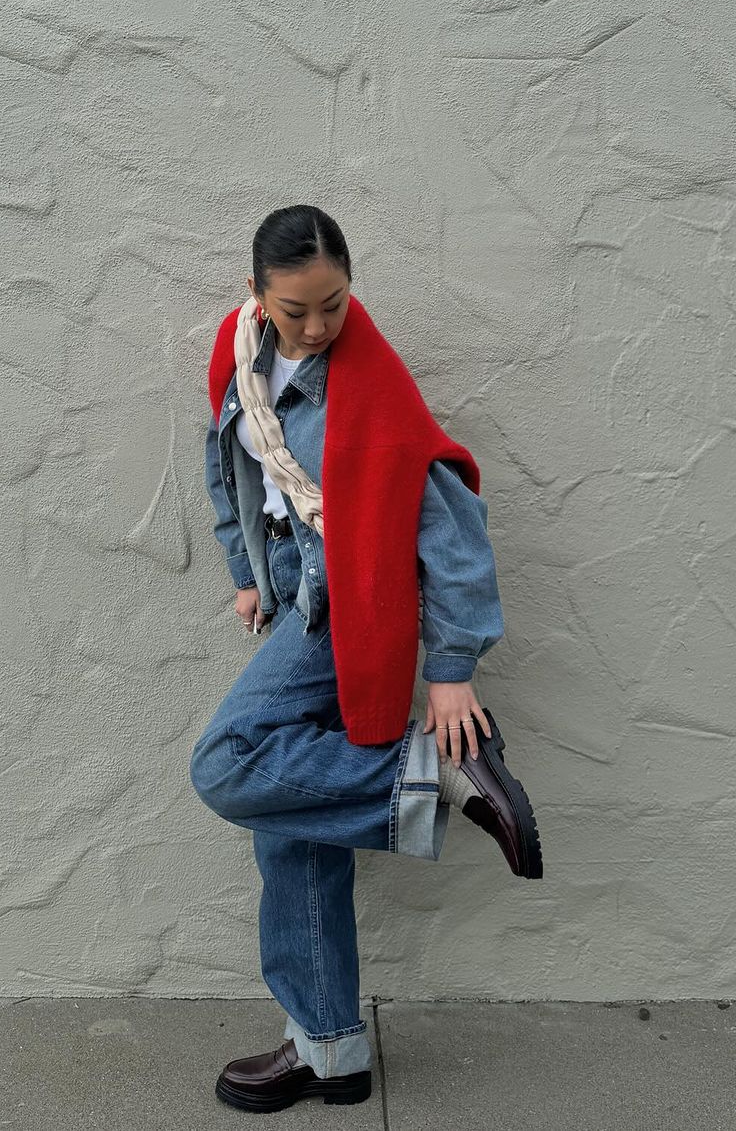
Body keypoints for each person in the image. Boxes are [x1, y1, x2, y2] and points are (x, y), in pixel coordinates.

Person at [189, 205, 542, 1114]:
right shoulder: (238, 348)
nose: (317, 326)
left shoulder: (371, 388)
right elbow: (228, 462)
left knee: (226, 764)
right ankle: (330, 1050)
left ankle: (433, 776)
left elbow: (453, 531)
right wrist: (246, 571)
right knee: (290, 830)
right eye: (296, 309)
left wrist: (451, 669)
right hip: (289, 592)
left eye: (334, 304)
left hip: (343, 602)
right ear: (256, 294)